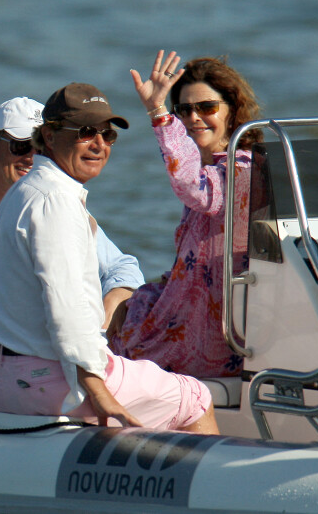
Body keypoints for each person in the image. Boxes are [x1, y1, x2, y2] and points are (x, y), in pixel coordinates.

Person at [0, 82, 219, 432]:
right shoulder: (55, 201)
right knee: (195, 397)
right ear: (48, 136)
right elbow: (67, 307)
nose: (99, 144)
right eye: (86, 132)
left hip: (1, 380)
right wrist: (97, 389)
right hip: (50, 381)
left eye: (108, 135)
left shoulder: (24, 191)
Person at [0, 97, 144, 321]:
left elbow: (124, 270)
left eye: (41, 148)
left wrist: (105, 318)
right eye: (21, 146)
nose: (32, 158)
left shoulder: (61, 208)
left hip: (34, 354)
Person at [108, 50, 262, 378]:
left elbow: (191, 185)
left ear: (232, 110)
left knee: (116, 349)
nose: (194, 118)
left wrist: (157, 111)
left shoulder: (241, 169)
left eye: (207, 107)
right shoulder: (214, 168)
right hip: (193, 312)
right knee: (125, 306)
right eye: (184, 110)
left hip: (216, 330)